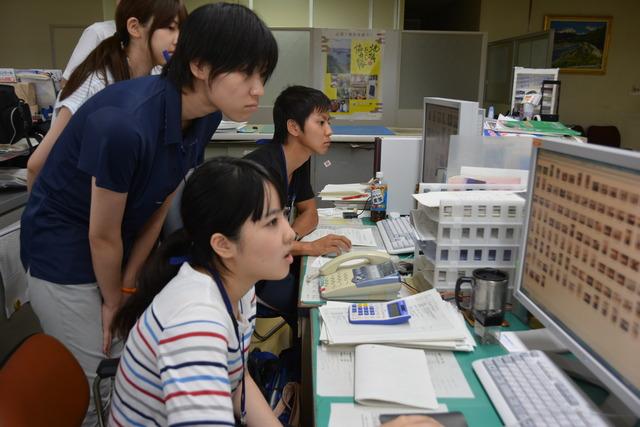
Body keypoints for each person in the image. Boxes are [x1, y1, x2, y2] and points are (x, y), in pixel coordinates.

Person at [20, 3, 277, 425]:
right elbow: (100, 234)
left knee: (125, 366)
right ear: (198, 65)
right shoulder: (126, 124)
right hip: (63, 251)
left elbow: (162, 202)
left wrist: (126, 285)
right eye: (247, 74)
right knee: (95, 387)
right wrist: (110, 302)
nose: (258, 90)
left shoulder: (206, 116)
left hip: (117, 243)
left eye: (262, 76)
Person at [108, 157, 293, 426]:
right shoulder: (196, 325)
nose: (290, 234)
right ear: (223, 245)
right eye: (271, 223)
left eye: (284, 216)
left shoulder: (240, 290)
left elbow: (237, 379)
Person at [27, 0, 187, 190]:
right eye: (170, 28)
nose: (178, 39)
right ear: (134, 27)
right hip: (73, 205)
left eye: (182, 30)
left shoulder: (154, 79)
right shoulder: (95, 86)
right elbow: (36, 165)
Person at [244, 85, 351, 326]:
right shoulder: (262, 171)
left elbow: (310, 213)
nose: (329, 131)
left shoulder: (298, 161)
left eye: (329, 122)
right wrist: (308, 247)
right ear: (293, 127)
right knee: (314, 306)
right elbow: (254, 244)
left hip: (274, 258)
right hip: (250, 276)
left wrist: (289, 240)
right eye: (321, 123)